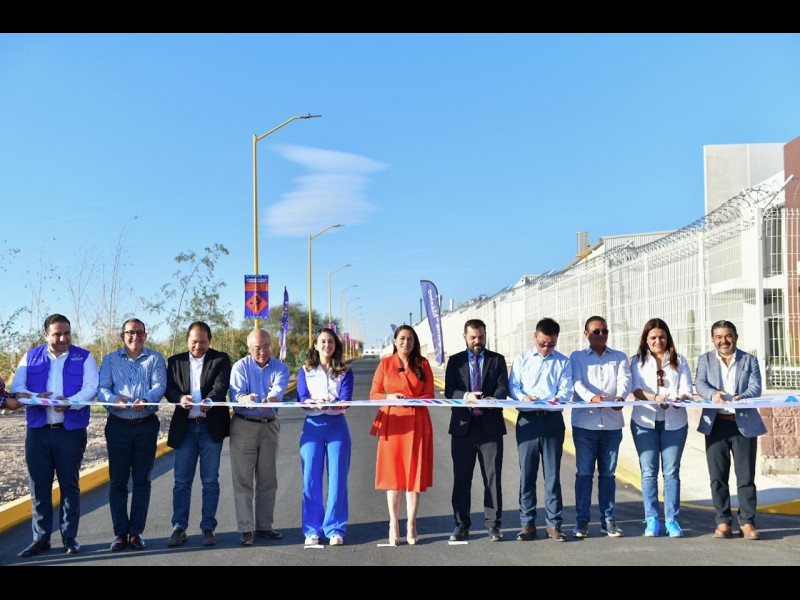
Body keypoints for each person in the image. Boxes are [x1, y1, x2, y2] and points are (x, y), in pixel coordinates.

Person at [9, 314, 99, 557]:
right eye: (57, 334)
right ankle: (41, 539)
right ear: (46, 334)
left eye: (67, 333)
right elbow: (17, 388)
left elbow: (91, 388)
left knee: (69, 485)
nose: (63, 338)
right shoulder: (30, 357)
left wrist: (70, 402)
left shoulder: (84, 357)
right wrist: (36, 398)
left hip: (70, 433)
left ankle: (69, 537)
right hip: (38, 432)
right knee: (39, 486)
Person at [98, 318, 167, 552]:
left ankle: (136, 532)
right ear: (122, 336)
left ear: (145, 335)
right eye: (130, 332)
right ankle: (120, 533)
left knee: (142, 481)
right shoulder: (110, 359)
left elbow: (159, 386)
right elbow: (103, 388)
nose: (134, 336)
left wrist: (146, 399)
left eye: (139, 332)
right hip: (118, 426)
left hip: (146, 425)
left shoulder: (155, 359)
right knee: (118, 481)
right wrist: (113, 400)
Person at [695, 320, 766, 540]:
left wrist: (741, 397)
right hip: (716, 425)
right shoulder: (705, 360)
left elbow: (756, 387)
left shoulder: (749, 360)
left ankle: (747, 522)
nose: (724, 341)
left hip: (743, 425)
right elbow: (700, 383)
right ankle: (723, 521)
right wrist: (713, 394)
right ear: (713, 339)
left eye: (728, 336)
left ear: (736, 337)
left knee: (745, 477)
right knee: (717, 477)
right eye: (719, 337)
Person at [164, 321, 232, 548]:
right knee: (181, 481)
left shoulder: (220, 359)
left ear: (209, 341)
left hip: (210, 428)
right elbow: (169, 389)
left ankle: (208, 527)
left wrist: (210, 400)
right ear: (187, 340)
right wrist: (179, 398)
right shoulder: (175, 361)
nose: (198, 346)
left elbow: (221, 386)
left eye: (203, 341)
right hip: (185, 428)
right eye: (194, 341)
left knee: (210, 481)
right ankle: (179, 527)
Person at [508, 317, 573, 543]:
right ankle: (527, 523)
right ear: (535, 337)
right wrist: (523, 397)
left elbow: (566, 389)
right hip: (527, 421)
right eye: (542, 343)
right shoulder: (522, 359)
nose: (546, 348)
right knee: (527, 474)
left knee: (552, 476)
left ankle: (554, 524)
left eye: (551, 344)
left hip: (552, 420)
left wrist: (557, 399)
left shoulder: (563, 362)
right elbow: (513, 386)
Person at [445, 318, 509, 543]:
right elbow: (449, 391)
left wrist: (492, 399)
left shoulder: (497, 359)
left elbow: (503, 386)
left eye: (481, 337)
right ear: (465, 337)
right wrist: (466, 396)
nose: (477, 341)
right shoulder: (455, 361)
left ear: (485, 335)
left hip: (490, 428)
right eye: (473, 337)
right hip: (463, 428)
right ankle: (461, 524)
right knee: (462, 478)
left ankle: (493, 525)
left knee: (492, 478)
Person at [369, 324, 434, 546]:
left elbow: (430, 394)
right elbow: (373, 394)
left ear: (415, 343)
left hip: (417, 422)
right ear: (395, 341)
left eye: (410, 339)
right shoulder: (385, 364)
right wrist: (388, 397)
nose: (406, 343)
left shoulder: (423, 364)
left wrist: (414, 399)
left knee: (413, 475)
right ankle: (393, 523)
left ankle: (412, 523)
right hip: (393, 423)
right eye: (402, 339)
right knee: (393, 475)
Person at [569, 316, 632, 538]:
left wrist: (620, 397)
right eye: (596, 331)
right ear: (586, 333)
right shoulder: (577, 357)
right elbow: (576, 382)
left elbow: (625, 380)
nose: (601, 335)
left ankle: (608, 520)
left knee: (608, 474)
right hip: (585, 425)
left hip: (612, 425)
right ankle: (582, 522)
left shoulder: (619, 357)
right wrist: (591, 397)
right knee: (584, 473)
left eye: (604, 331)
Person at [629, 318, 692, 538]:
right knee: (648, 472)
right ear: (646, 340)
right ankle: (651, 519)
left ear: (668, 338)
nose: (658, 341)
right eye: (653, 337)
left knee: (671, 472)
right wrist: (655, 398)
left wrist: (678, 399)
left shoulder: (679, 361)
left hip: (675, 422)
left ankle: (672, 520)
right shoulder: (637, 361)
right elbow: (636, 389)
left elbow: (686, 389)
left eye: (662, 337)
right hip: (644, 422)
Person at [229, 327, 290, 546]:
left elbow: (277, 391)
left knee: (268, 479)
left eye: (266, 346)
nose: (262, 351)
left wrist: (270, 400)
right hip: (244, 425)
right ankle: (246, 529)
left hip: (269, 426)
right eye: (257, 348)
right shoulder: (240, 367)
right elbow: (236, 394)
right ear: (249, 348)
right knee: (243, 480)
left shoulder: (281, 368)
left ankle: (265, 526)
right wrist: (245, 399)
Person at [297, 328, 353, 547]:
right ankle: (312, 530)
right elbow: (302, 397)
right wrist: (313, 403)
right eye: (323, 341)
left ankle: (335, 528)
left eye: (330, 341)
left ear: (335, 345)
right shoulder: (305, 370)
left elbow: (346, 398)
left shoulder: (345, 371)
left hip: (337, 426)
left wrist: (334, 403)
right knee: (310, 479)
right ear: (315, 345)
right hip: (312, 426)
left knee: (338, 479)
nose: (327, 345)